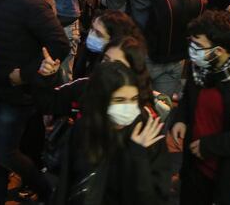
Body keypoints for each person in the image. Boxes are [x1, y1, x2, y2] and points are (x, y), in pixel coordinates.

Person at [0, 0, 69, 204]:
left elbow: (59, 44)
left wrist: (27, 74)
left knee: (5, 151)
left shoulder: (32, 3)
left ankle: (45, 190)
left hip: (16, 93)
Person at [170, 10, 230, 205]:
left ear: (219, 51)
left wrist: (211, 146)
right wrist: (180, 119)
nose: (192, 50)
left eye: (198, 46)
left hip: (225, 177)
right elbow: (188, 100)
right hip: (193, 168)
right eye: (191, 43)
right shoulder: (201, 68)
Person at [49, 62, 172, 204]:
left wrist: (138, 156)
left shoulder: (150, 135)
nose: (128, 107)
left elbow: (152, 198)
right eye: (119, 100)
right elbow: (66, 182)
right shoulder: (84, 128)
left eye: (133, 99)